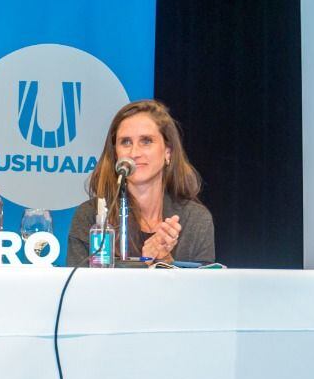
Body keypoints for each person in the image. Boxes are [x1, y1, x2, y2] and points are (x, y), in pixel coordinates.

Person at [67, 99, 214, 266]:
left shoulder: (195, 219)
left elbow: (201, 290)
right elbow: (78, 288)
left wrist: (165, 261)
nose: (134, 153)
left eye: (146, 141)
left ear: (168, 152)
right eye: (126, 142)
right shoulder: (90, 216)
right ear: (116, 154)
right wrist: (146, 262)